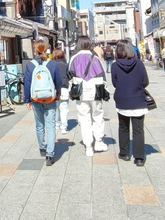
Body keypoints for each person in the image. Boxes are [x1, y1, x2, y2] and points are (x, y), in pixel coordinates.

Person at [23, 38, 64, 166]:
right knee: (51, 126)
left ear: (35, 50)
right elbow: (58, 81)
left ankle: (42, 148)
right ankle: (50, 155)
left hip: (36, 99)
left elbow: (27, 83)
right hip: (50, 99)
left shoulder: (30, 65)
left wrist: (27, 99)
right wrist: (58, 93)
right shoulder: (52, 64)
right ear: (46, 49)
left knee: (39, 125)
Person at [68, 35, 109, 156]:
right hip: (96, 91)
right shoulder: (95, 58)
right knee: (98, 116)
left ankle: (88, 146)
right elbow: (103, 76)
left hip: (81, 92)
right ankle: (99, 141)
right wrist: (105, 91)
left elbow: (69, 75)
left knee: (84, 118)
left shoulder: (74, 58)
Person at [111, 40, 150, 166]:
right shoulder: (139, 64)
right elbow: (145, 81)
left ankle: (125, 153)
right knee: (138, 129)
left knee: (123, 127)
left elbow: (115, 83)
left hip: (122, 99)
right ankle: (139, 157)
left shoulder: (115, 65)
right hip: (138, 98)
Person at [50, 47, 70, 133]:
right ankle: (64, 127)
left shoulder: (51, 65)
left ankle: (56, 124)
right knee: (64, 108)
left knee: (55, 108)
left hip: (53, 89)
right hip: (64, 88)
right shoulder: (66, 65)